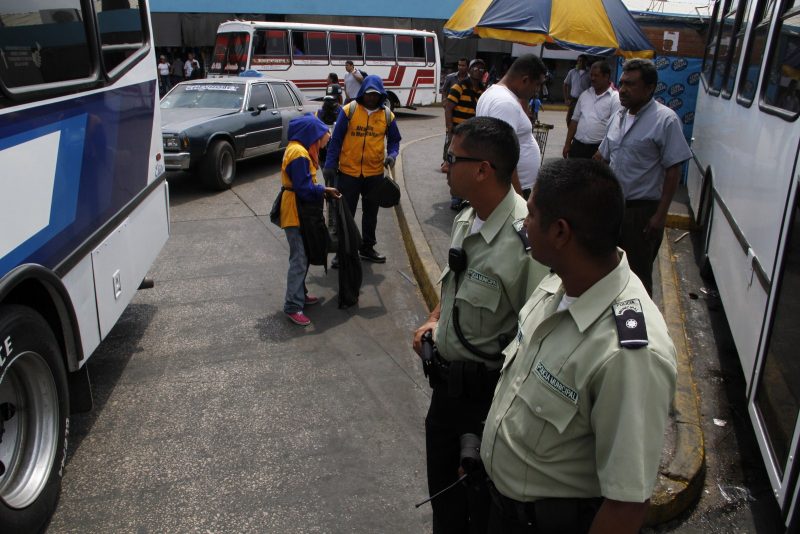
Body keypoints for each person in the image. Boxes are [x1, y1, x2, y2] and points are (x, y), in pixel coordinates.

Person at [481, 158, 677, 533]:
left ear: (560, 232)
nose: (523, 223)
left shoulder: (629, 354)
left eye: (532, 214)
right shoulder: (559, 282)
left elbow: (625, 507)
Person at [412, 116, 549, 534]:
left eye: (452, 158)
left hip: (488, 405)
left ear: (482, 169)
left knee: (483, 511)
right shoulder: (468, 216)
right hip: (445, 394)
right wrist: (433, 320)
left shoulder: (528, 239)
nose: (444, 166)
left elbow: (538, 337)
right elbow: (453, 289)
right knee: (445, 503)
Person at [596, 58, 692, 295]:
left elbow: (673, 170)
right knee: (606, 269)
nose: (624, 90)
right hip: (612, 208)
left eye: (631, 84)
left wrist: (660, 216)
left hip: (641, 213)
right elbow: (602, 156)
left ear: (650, 88)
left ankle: (637, 328)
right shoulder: (618, 116)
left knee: (637, 277)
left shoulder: (665, 120)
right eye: (622, 83)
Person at [323, 75, 401, 265]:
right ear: (362, 93)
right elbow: (336, 140)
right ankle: (343, 251)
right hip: (348, 173)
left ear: (381, 94)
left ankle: (367, 247)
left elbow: (394, 140)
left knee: (371, 214)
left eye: (375, 95)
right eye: (368, 94)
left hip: (374, 174)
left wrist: (392, 154)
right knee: (345, 214)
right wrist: (330, 165)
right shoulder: (349, 110)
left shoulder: (387, 116)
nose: (371, 98)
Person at [278, 115, 341, 326]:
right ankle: (292, 306)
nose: (323, 144)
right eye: (321, 138)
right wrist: (324, 190)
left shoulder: (300, 149)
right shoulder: (298, 153)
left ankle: (300, 294)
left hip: (299, 210)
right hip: (295, 212)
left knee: (302, 254)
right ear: (312, 135)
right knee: (299, 258)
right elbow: (304, 189)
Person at [476, 54, 547, 200]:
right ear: (525, 80)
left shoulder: (494, 93)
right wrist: (518, 196)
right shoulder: (505, 103)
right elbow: (503, 155)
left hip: (509, 188)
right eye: (537, 84)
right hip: (512, 190)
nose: (537, 90)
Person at [443, 58, 486, 208]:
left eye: (481, 69)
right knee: (455, 164)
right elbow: (448, 108)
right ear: (469, 70)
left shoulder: (483, 90)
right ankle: (455, 196)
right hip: (458, 134)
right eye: (475, 68)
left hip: (473, 136)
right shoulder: (458, 87)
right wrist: (450, 130)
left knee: (469, 166)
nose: (478, 71)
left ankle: (465, 194)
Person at [562, 61, 620, 159]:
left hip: (597, 150)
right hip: (577, 146)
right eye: (591, 75)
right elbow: (574, 121)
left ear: (606, 76)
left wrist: (602, 151)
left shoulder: (615, 98)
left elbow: (615, 129)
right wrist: (567, 143)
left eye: (596, 75)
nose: (592, 78)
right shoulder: (584, 95)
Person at [440, 58, 469, 175]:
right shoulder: (451, 77)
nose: (461, 67)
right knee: (449, 136)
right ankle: (446, 160)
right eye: (459, 65)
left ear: (467, 67)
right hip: (451, 112)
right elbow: (444, 91)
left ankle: (459, 162)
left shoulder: (470, 80)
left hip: (464, 114)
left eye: (463, 65)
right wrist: (444, 102)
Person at [563, 54, 591, 125]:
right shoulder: (572, 72)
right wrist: (566, 99)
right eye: (578, 61)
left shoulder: (590, 73)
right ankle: (571, 135)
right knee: (569, 119)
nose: (580, 63)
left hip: (585, 100)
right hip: (574, 100)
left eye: (582, 61)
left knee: (581, 120)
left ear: (586, 62)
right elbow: (565, 84)